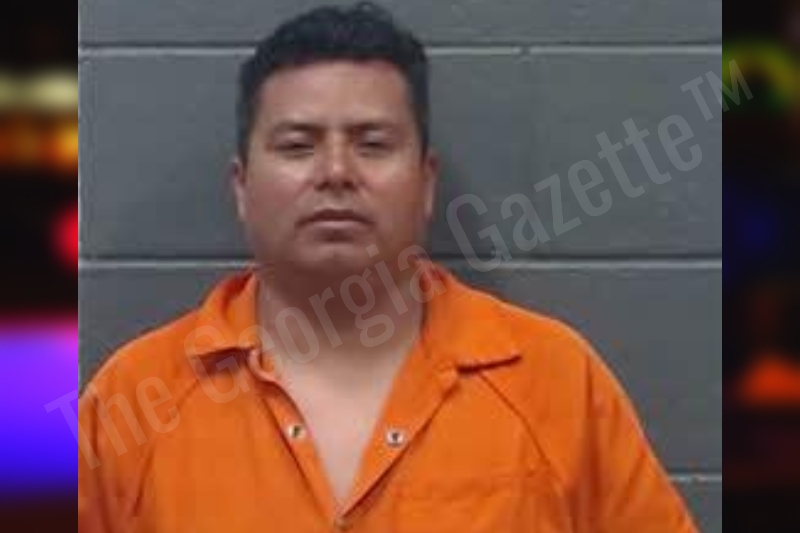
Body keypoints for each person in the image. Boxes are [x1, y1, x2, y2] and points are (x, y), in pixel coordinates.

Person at [78, 3, 699, 531]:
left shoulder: (556, 383)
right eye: (297, 146)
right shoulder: (133, 402)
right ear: (242, 187)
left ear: (426, 183)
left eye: (373, 144)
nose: (336, 172)